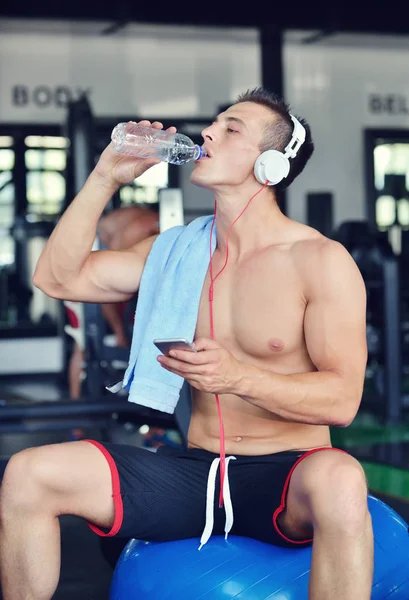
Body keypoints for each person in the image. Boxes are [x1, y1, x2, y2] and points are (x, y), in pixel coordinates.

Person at [0, 88, 371, 600]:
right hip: (198, 471)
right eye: (214, 124)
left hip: (289, 474)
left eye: (231, 128)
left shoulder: (320, 261)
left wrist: (240, 377)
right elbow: (57, 278)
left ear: (269, 165)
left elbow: (343, 400)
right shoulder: (176, 251)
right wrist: (105, 177)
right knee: (28, 474)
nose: (208, 134)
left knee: (342, 478)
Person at [64, 204, 159, 402]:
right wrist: (120, 334)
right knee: (82, 344)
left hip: (97, 259)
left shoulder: (153, 230)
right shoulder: (136, 231)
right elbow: (107, 293)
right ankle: (75, 413)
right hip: (77, 269)